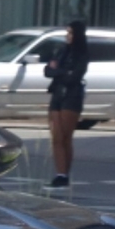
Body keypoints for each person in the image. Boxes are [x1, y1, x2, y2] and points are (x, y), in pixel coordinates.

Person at [42, 19, 91, 188]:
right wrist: (61, 71)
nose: (67, 35)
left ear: (77, 34)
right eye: (67, 32)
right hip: (57, 94)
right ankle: (60, 174)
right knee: (56, 137)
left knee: (65, 137)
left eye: (70, 32)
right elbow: (48, 71)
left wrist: (58, 71)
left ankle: (64, 175)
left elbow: (75, 76)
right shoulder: (62, 50)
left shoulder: (82, 54)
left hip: (72, 96)